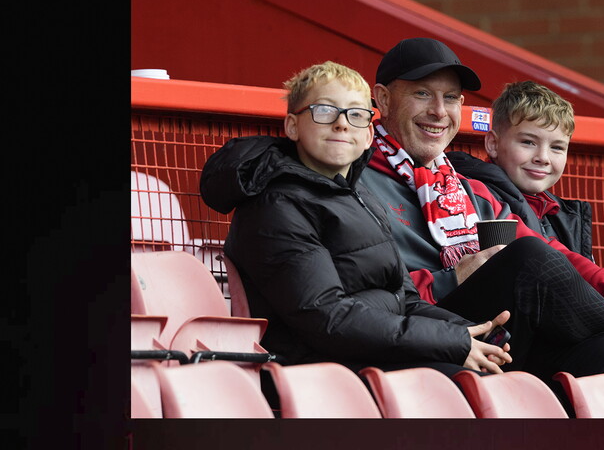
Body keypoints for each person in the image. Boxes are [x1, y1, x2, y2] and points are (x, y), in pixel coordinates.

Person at [358, 37, 604, 405]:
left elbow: (556, 254)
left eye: (450, 98)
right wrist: (451, 278)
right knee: (526, 257)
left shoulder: (467, 188)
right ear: (384, 100)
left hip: (500, 336)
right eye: (422, 94)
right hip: (423, 331)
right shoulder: (354, 183)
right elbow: (361, 293)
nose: (439, 111)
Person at [199, 61, 513, 396]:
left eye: (356, 115)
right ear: (292, 126)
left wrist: (472, 332)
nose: (341, 123)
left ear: (367, 136)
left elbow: (405, 299)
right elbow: (327, 318)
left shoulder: (359, 195)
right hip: (311, 370)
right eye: (324, 111)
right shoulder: (275, 205)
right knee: (465, 386)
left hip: (365, 354)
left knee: (504, 372)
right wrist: (451, 341)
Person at [446, 80, 594, 261]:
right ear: (493, 144)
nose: (543, 157)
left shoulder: (562, 216)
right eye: (528, 142)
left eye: (557, 147)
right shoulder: (476, 200)